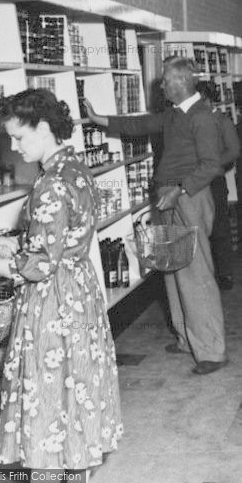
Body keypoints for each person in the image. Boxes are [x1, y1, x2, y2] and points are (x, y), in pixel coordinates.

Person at [0, 89, 123, 471]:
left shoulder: (50, 184)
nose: (12, 146)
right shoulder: (74, 168)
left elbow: (41, 265)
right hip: (79, 292)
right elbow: (63, 238)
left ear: (43, 128)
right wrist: (18, 243)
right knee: (74, 398)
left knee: (45, 400)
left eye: (19, 136)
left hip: (53, 302)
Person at [84, 56, 228, 376]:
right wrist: (98, 118)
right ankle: (186, 339)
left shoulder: (202, 117)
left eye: (164, 80)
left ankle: (212, 350)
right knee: (172, 267)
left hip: (188, 196)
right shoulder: (174, 115)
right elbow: (138, 125)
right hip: (168, 197)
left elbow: (212, 165)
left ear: (180, 81)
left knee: (196, 273)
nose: (161, 85)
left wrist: (179, 189)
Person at [197, 80, 240, 290]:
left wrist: (210, 162)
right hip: (196, 182)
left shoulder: (222, 121)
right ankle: (205, 274)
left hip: (214, 181)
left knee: (219, 227)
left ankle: (224, 274)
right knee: (199, 228)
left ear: (207, 100)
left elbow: (233, 152)